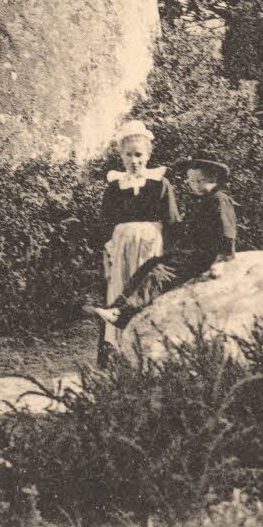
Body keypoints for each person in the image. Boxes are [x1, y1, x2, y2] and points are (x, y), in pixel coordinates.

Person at [87, 152, 236, 332]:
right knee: (149, 264)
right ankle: (118, 307)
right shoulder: (200, 201)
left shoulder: (219, 200)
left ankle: (124, 313)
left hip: (205, 256)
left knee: (158, 273)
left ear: (213, 179)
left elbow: (227, 233)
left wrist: (221, 260)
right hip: (190, 253)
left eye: (200, 181)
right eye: (191, 181)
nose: (195, 186)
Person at [97, 120, 181, 360]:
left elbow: (172, 221)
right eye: (128, 155)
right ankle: (119, 353)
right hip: (121, 249)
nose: (133, 161)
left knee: (147, 291)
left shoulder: (159, 184)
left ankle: (151, 350)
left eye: (138, 154)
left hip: (150, 248)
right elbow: (105, 223)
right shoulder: (114, 187)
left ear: (148, 154)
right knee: (120, 293)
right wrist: (106, 254)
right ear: (120, 156)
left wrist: (168, 255)